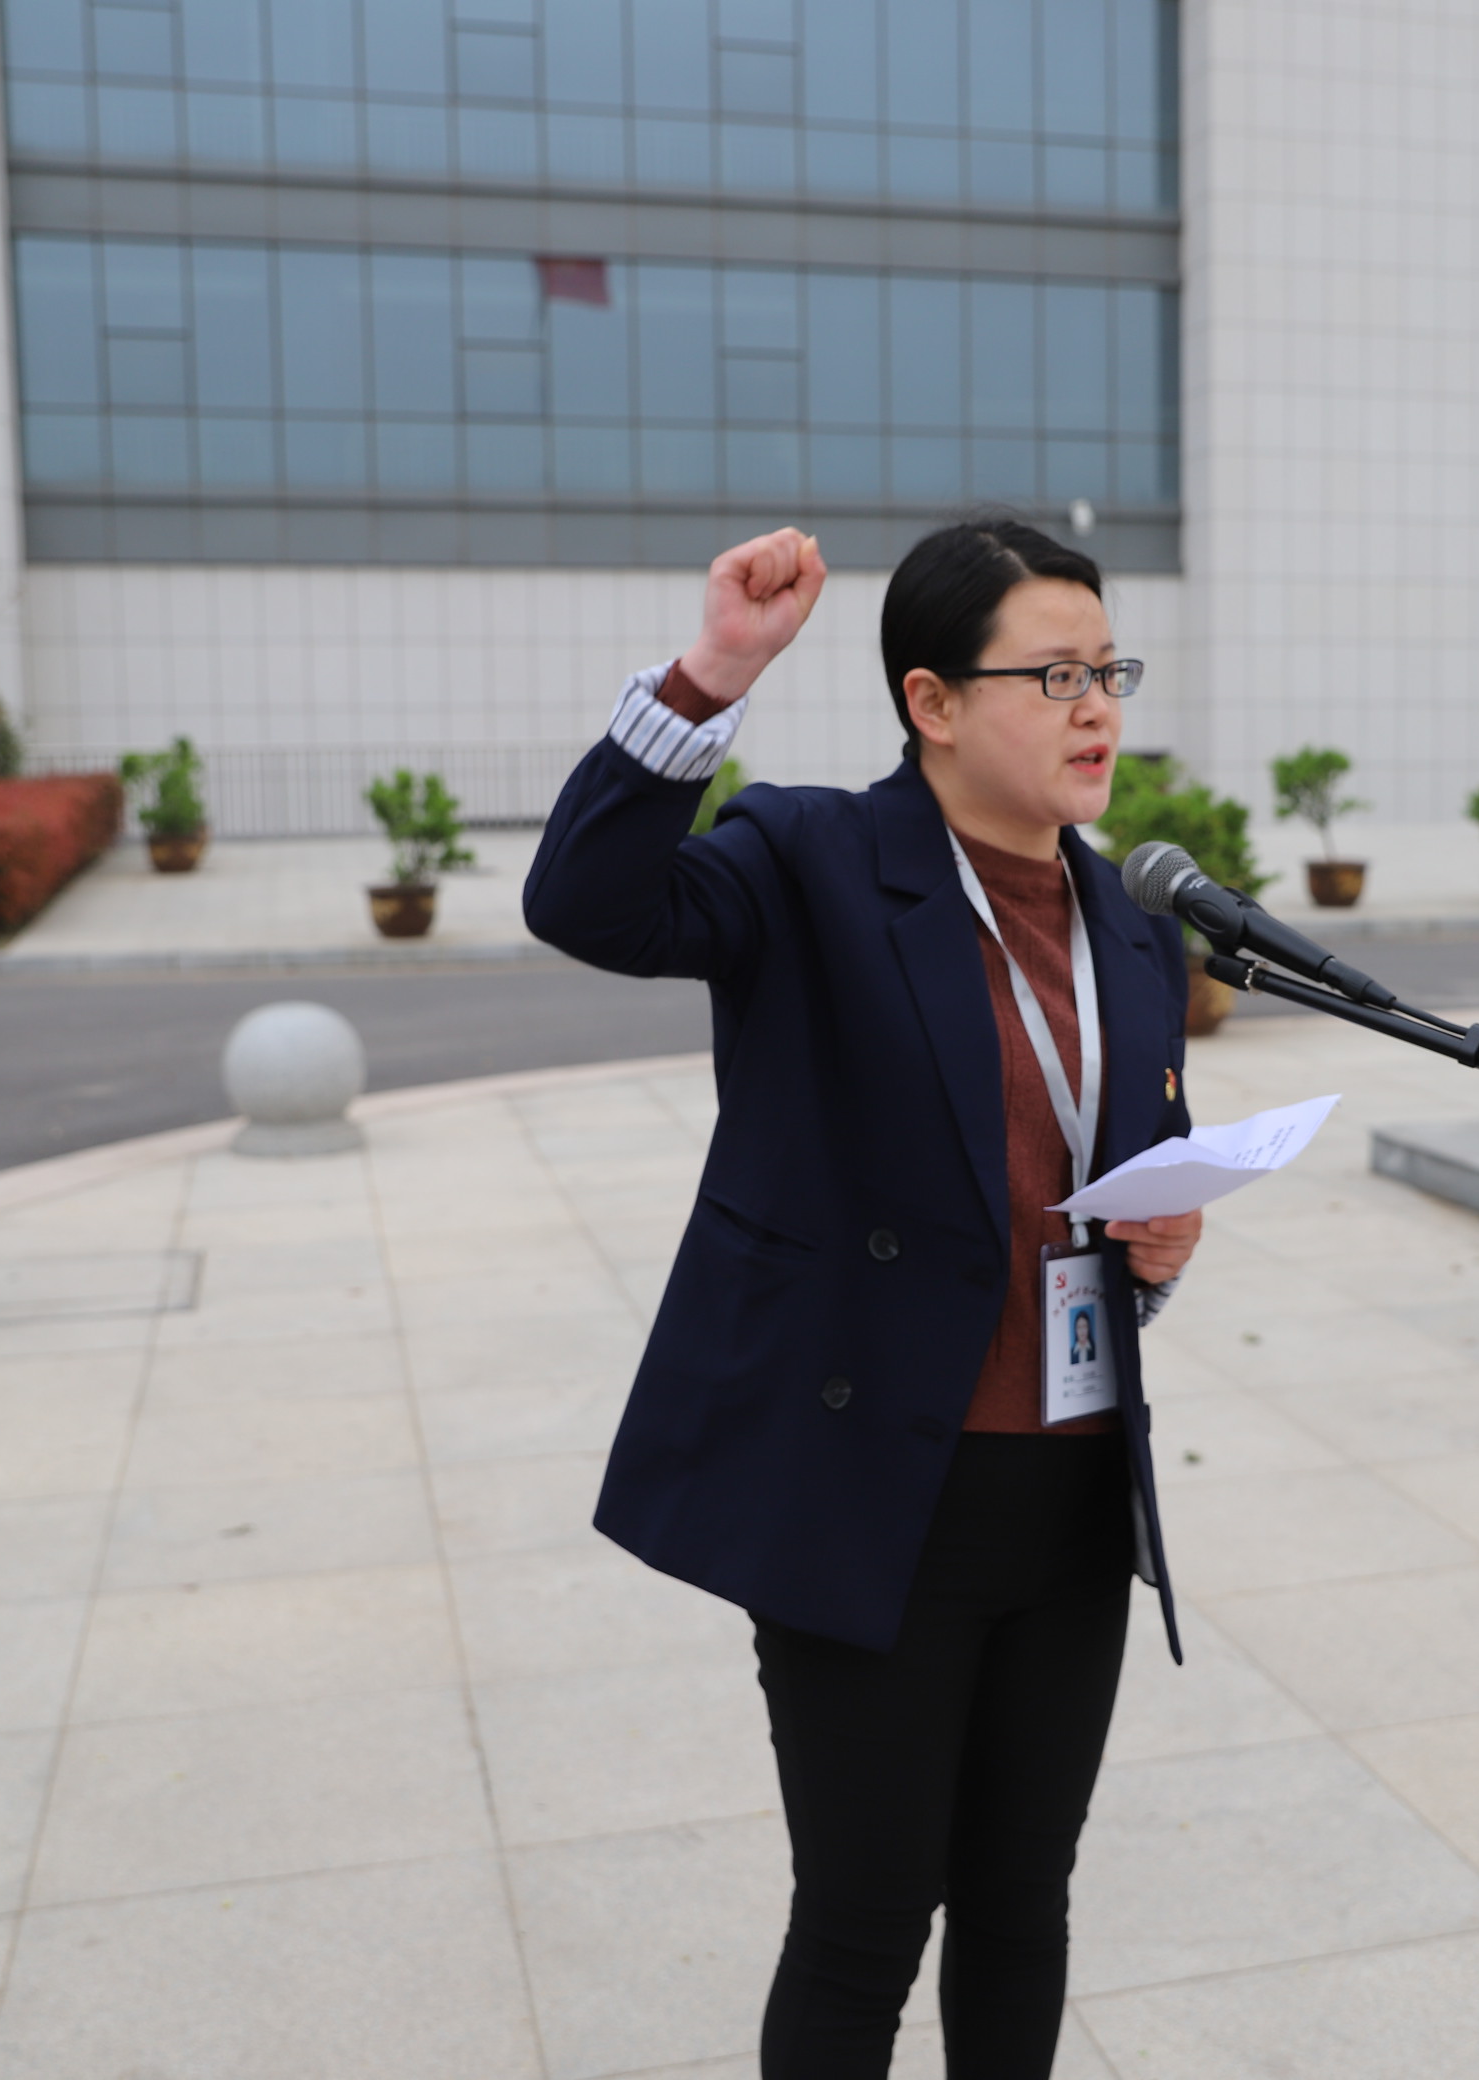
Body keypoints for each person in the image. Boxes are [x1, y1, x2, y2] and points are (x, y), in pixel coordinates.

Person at [524, 517, 1205, 2080]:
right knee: (863, 1926)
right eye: (1054, 675)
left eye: (1109, 672)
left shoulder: (1133, 928)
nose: (1097, 708)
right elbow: (588, 904)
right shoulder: (813, 863)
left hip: (1070, 1495)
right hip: (875, 1492)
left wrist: (1157, 1253)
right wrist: (711, 676)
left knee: (1024, 1901)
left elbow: (1084, 1195)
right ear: (933, 702)